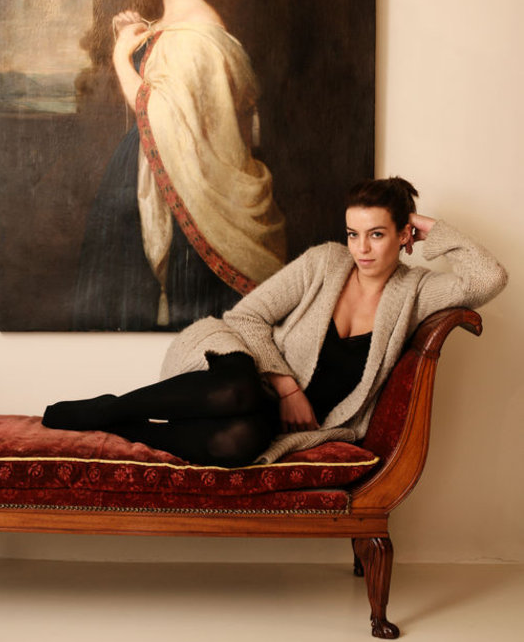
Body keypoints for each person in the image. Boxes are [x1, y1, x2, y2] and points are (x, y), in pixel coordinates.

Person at [46, 176, 507, 466]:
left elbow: (489, 278)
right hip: (238, 363)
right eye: (353, 233)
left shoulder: (417, 291)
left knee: (238, 445)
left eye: (377, 234)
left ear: (404, 234)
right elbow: (246, 316)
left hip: (272, 420)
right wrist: (287, 388)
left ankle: (124, 426)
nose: (361, 248)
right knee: (239, 390)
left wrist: (430, 226)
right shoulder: (325, 262)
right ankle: (108, 407)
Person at [73, 0, 286, 331]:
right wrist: (133, 36)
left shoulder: (196, 34)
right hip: (149, 164)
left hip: (182, 178)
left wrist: (121, 56)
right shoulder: (171, 24)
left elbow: (156, 110)